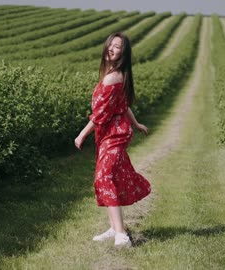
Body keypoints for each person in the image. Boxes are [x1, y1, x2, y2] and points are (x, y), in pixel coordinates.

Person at [74, 32, 151, 248]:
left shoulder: (113, 77)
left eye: (117, 47)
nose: (111, 49)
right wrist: (136, 124)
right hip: (108, 133)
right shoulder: (113, 74)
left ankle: (121, 236)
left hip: (114, 133)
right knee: (111, 177)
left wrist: (81, 135)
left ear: (123, 53)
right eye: (110, 44)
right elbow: (124, 104)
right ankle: (114, 228)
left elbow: (101, 115)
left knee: (105, 177)